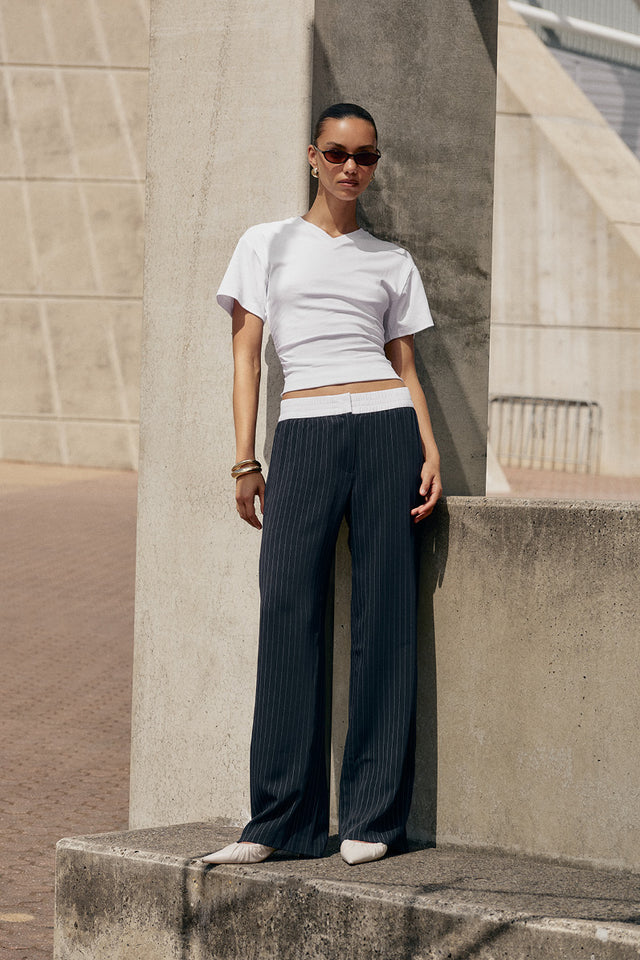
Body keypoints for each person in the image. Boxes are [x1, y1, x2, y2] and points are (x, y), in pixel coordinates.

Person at [202, 103, 441, 867]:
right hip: (303, 432)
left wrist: (430, 449)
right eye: (337, 153)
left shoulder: (391, 260)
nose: (350, 168)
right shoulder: (265, 243)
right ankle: (280, 822)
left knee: (385, 616)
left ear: (375, 165)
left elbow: (405, 366)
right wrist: (245, 459)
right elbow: (246, 358)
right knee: (288, 612)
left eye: (365, 156)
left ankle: (373, 816)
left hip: (385, 430)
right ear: (312, 155)